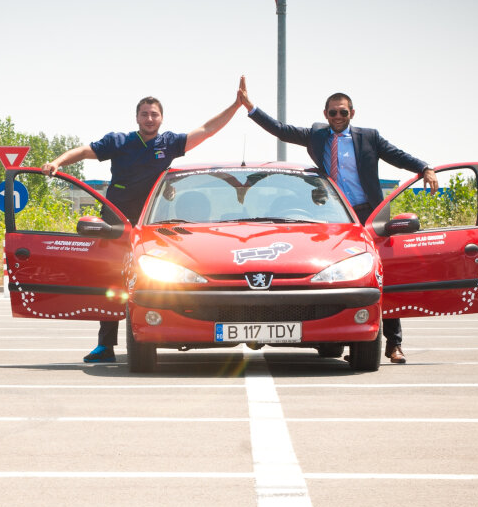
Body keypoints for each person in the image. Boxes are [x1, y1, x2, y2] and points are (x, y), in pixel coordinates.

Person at [237, 76, 437, 364]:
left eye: (344, 112)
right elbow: (280, 130)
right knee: (331, 273)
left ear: (352, 114)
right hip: (331, 217)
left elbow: (397, 156)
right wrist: (250, 107)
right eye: (333, 112)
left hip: (367, 213)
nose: (338, 117)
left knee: (381, 277)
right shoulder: (317, 135)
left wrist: (424, 168)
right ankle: (335, 330)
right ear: (325, 114)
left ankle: (393, 344)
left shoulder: (369, 137)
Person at [43, 90, 243, 363]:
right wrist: (57, 163)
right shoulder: (119, 142)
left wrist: (236, 105)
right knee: (112, 282)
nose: (149, 119)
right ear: (137, 117)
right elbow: (83, 151)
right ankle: (105, 346)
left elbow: (207, 129)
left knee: (160, 278)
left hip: (153, 224)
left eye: (154, 114)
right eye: (144, 114)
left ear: (161, 118)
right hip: (116, 222)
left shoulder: (169, 143)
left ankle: (168, 329)